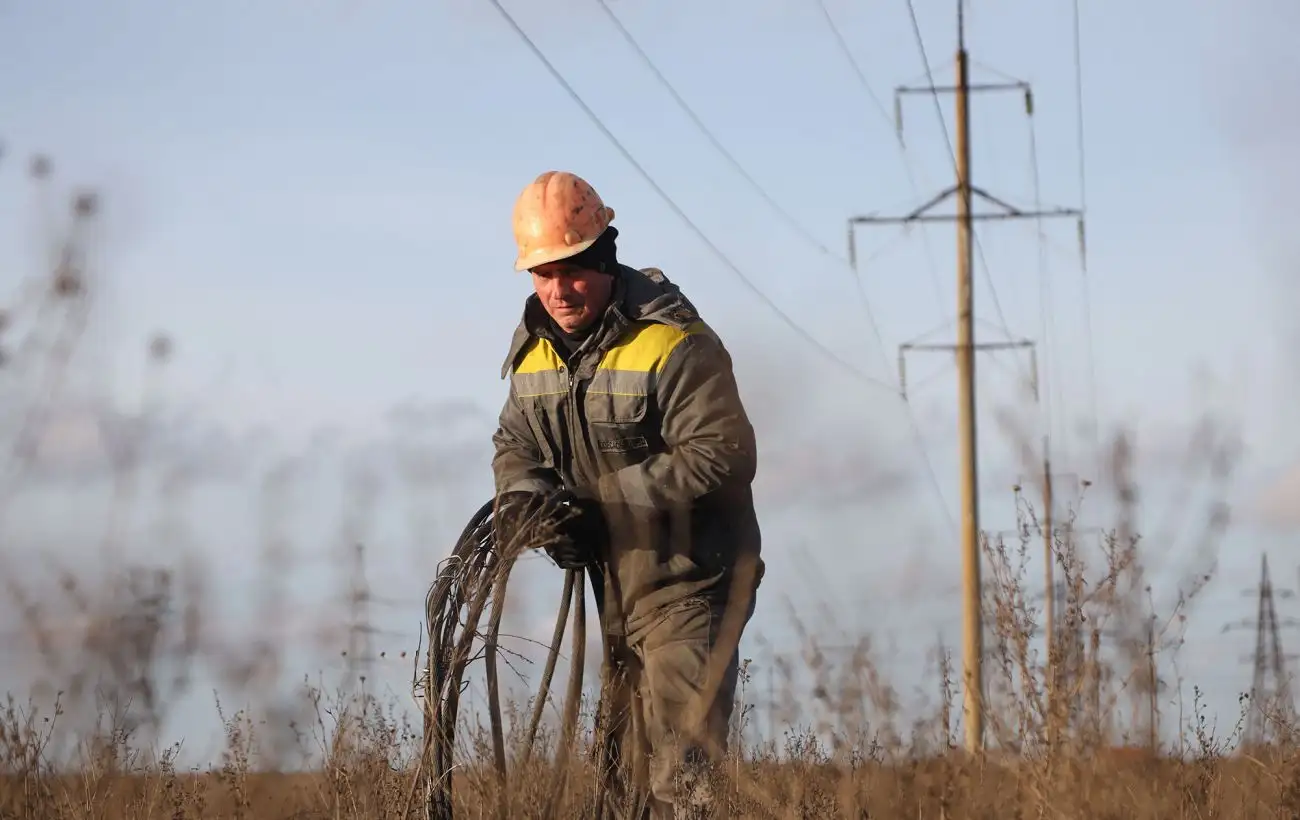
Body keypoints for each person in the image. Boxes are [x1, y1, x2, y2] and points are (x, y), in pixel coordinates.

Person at [491, 170, 764, 817]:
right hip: (615, 586)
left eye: (572, 269)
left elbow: (722, 455)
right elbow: (515, 446)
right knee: (621, 782)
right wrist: (528, 499)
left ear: (605, 255)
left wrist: (598, 506)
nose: (558, 289)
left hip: (693, 582)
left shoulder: (674, 342)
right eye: (543, 274)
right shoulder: (535, 355)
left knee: (685, 772)